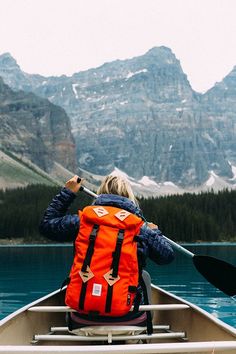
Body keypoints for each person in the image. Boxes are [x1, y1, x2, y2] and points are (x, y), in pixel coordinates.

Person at [39, 174, 175, 332]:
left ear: (101, 193)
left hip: (81, 321)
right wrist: (154, 232)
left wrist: (67, 193)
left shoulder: (83, 221)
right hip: (130, 320)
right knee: (143, 276)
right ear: (129, 197)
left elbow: (47, 225)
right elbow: (167, 256)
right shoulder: (139, 228)